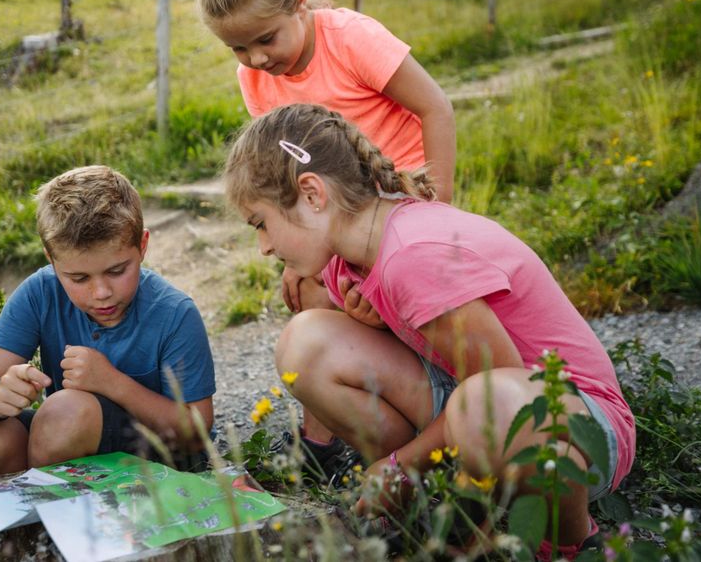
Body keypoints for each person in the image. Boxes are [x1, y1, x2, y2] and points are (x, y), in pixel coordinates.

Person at [222, 104, 635, 559]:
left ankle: (570, 540)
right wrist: (371, 323)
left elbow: (501, 392)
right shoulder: (346, 257)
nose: (263, 246)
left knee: (485, 401)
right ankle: (425, 495)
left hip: (575, 425)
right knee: (306, 342)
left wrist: (400, 464)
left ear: (312, 194)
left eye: (261, 223)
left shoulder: (412, 255)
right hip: (476, 412)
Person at [196, 0, 457, 456]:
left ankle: (430, 426)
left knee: (370, 305)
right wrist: (297, 258)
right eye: (237, 48)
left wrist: (440, 215)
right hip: (334, 219)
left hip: (400, 211)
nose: (256, 60)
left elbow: (437, 109)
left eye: (266, 39)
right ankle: (334, 440)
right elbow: (283, 175)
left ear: (298, 2)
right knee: (308, 295)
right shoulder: (256, 79)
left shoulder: (351, 39)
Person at [0, 165, 216, 481]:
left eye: (117, 271)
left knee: (64, 415)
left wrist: (111, 382)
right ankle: (13, 526)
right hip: (67, 442)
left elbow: (197, 432)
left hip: (161, 461)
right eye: (78, 278)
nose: (101, 293)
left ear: (142, 246)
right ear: (51, 258)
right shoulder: (40, 293)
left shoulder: (174, 313)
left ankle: (51, 524)